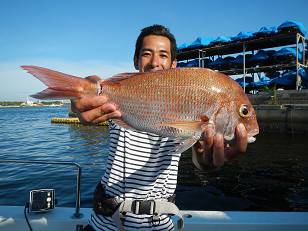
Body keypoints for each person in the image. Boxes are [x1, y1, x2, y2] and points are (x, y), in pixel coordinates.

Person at [72, 25, 248, 231]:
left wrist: (205, 161)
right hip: (106, 224)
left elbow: (200, 160)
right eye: (146, 54)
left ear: (174, 64)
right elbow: (85, 104)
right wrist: (79, 101)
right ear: (136, 61)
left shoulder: (185, 102)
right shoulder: (120, 97)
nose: (155, 62)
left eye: (163, 55)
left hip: (161, 225)